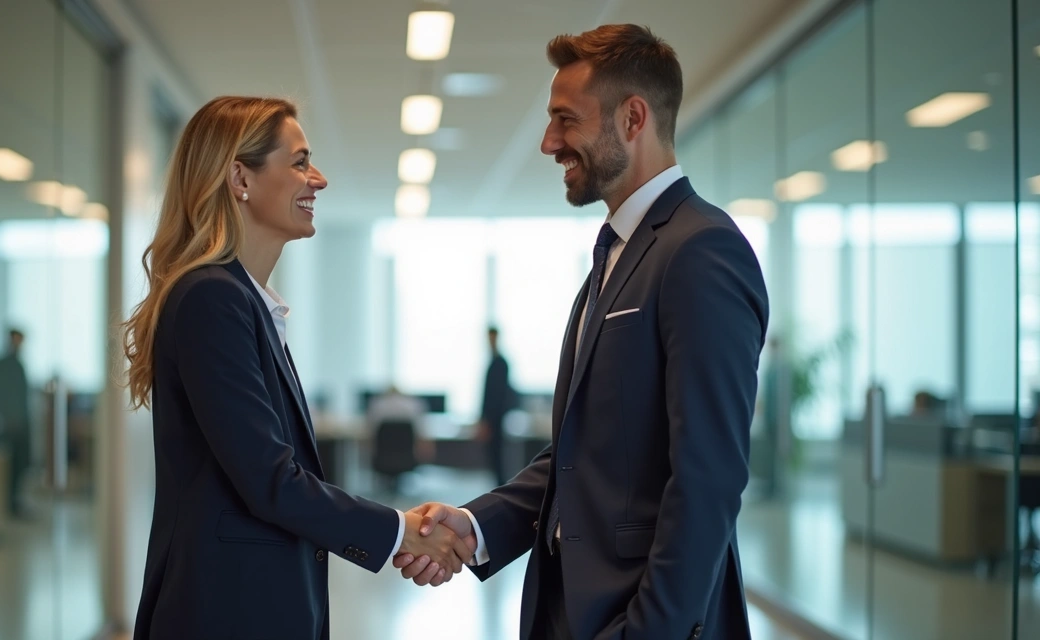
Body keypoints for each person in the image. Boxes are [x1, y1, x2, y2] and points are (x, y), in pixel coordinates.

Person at [395, 25, 769, 640]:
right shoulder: (613, 257)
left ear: (632, 117)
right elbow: (582, 455)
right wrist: (476, 524)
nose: (549, 142)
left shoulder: (701, 249)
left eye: (565, 120)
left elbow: (708, 477)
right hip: (573, 605)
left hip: (641, 618)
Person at [122, 96, 473, 640]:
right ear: (241, 177)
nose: (320, 179)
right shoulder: (212, 298)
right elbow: (270, 480)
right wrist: (402, 530)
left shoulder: (244, 301)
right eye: (300, 161)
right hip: (224, 611)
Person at [0, 328, 30, 516]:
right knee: (7, 466)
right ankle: (5, 504)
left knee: (20, 464)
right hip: (6, 424)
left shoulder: (19, 365)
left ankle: (14, 502)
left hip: (20, 423)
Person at [478, 326, 518, 486]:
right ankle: (498, 486)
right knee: (493, 457)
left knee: (497, 457)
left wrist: (488, 421)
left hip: (496, 418)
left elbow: (496, 395)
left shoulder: (500, 363)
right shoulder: (494, 361)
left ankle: (500, 487)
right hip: (492, 417)